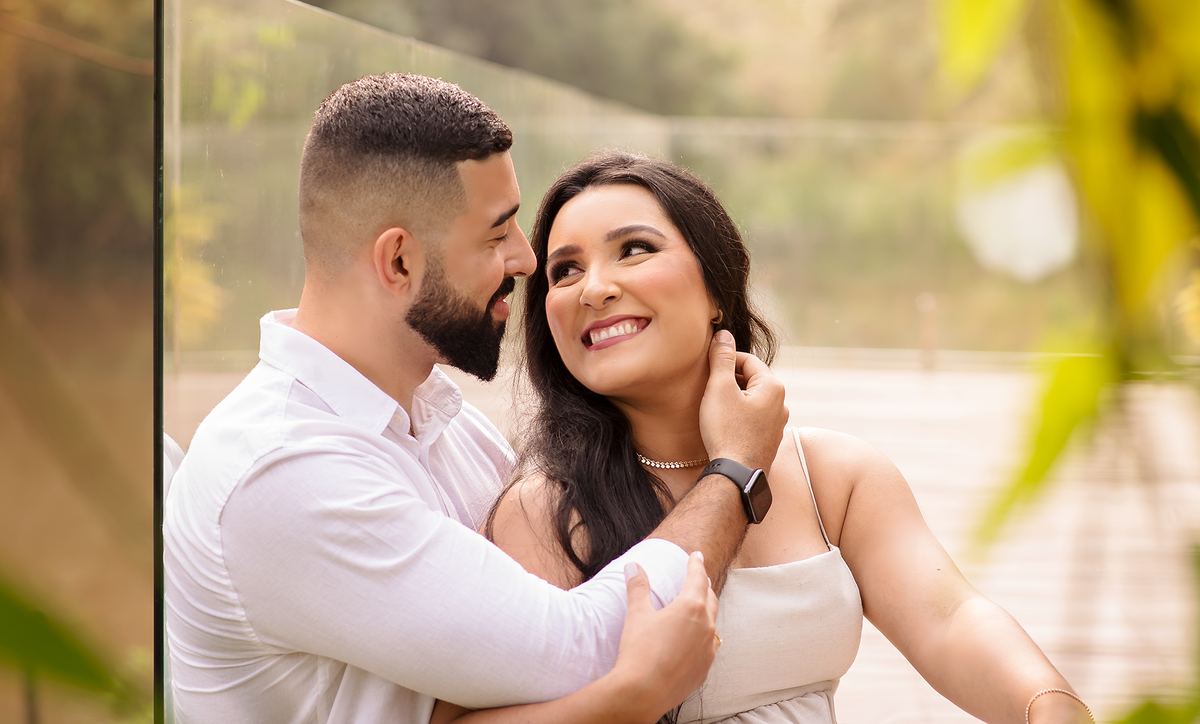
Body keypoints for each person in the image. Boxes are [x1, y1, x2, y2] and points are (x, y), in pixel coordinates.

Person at [163, 74, 791, 724]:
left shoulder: (443, 421)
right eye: (496, 236)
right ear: (399, 262)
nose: (526, 260)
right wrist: (735, 470)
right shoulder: (283, 469)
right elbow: (586, 652)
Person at [438, 150, 1094, 724]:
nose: (595, 288)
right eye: (564, 271)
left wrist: (1046, 702)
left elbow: (948, 619)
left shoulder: (832, 476)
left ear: (716, 290)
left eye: (634, 249)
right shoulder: (545, 513)